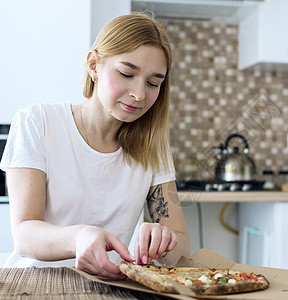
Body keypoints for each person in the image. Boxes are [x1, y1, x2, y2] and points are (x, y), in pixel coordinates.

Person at [0, 12, 191, 279]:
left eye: (153, 83)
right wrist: (80, 237)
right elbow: (24, 234)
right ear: (93, 66)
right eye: (126, 73)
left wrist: (165, 239)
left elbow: (181, 246)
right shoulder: (37, 122)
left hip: (111, 287)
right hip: (33, 283)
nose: (139, 94)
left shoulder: (152, 146)